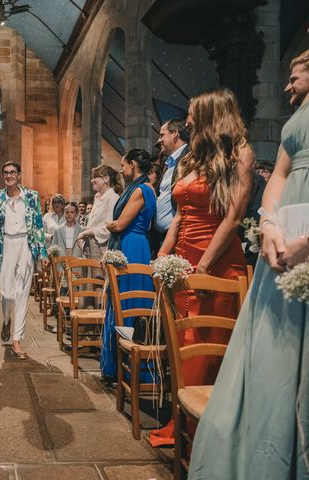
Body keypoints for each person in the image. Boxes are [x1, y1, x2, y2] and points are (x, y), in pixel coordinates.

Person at [188, 51, 309, 479]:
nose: (288, 86)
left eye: (295, 77)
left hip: (298, 239)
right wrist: (272, 222)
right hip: (279, 234)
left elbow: (232, 212)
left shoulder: (237, 152)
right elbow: (277, 176)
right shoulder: (296, 122)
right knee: (269, 350)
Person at [151, 87, 252, 448]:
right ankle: (179, 422)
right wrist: (164, 254)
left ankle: (202, 434)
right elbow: (179, 214)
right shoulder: (195, 157)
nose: (188, 119)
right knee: (182, 343)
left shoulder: (239, 153)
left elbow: (235, 214)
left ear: (211, 115)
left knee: (207, 344)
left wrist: (205, 264)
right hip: (184, 257)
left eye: (193, 114)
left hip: (218, 259)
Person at [100, 149, 157, 382]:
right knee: (124, 297)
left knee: (129, 299)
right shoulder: (142, 187)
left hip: (132, 246)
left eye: (123, 165)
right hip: (133, 244)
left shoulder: (142, 189)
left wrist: (109, 224)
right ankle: (120, 363)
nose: (121, 170)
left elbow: (122, 224)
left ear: (133, 164)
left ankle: (131, 366)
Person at [0, 161, 48, 359]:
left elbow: (38, 223)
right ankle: (6, 319)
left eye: (13, 172)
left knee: (22, 292)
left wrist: (43, 253)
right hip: (5, 243)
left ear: (19, 175)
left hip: (25, 242)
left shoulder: (31, 196)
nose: (9, 175)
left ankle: (17, 340)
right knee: (7, 293)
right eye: (6, 173)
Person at [154, 119, 190, 243]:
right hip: (165, 236)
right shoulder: (169, 162)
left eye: (162, 135)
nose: (159, 141)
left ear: (175, 133)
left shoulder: (188, 158)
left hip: (180, 234)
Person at [77, 165, 122, 263]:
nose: (91, 180)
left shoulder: (112, 197)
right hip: (92, 244)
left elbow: (109, 227)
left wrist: (86, 233)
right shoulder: (97, 197)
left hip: (102, 246)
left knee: (100, 277)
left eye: (95, 177)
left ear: (106, 179)